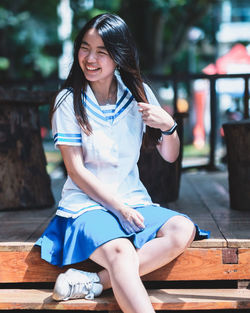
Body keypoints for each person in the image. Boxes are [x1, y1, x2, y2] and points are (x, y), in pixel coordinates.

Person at [36, 13, 209, 313]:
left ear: (119, 55)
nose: (90, 58)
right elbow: (75, 171)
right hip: (86, 205)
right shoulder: (69, 101)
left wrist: (169, 127)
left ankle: (93, 283)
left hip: (134, 201)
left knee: (182, 229)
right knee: (122, 252)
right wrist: (118, 207)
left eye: (102, 51)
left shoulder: (137, 93)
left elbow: (170, 155)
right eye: (85, 48)